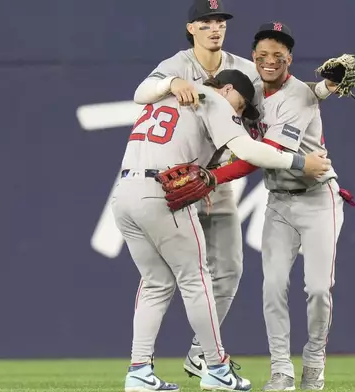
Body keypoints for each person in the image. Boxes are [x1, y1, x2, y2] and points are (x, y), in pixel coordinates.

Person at [132, 0, 338, 378]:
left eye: (220, 21)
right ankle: (212, 364)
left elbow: (284, 92)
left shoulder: (244, 69)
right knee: (181, 278)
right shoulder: (177, 66)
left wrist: (323, 89)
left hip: (217, 176)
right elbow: (141, 92)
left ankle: (192, 356)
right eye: (206, 21)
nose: (215, 27)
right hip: (182, 180)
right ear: (192, 28)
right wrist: (171, 83)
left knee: (229, 271)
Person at [245, 22, 346, 391]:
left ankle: (315, 361)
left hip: (319, 198)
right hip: (278, 203)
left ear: (290, 58)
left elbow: (272, 152)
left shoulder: (301, 94)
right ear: (254, 55)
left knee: (319, 289)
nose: (270, 60)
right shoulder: (249, 88)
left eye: (279, 54)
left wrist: (325, 87)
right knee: (272, 287)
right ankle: (281, 370)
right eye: (263, 54)